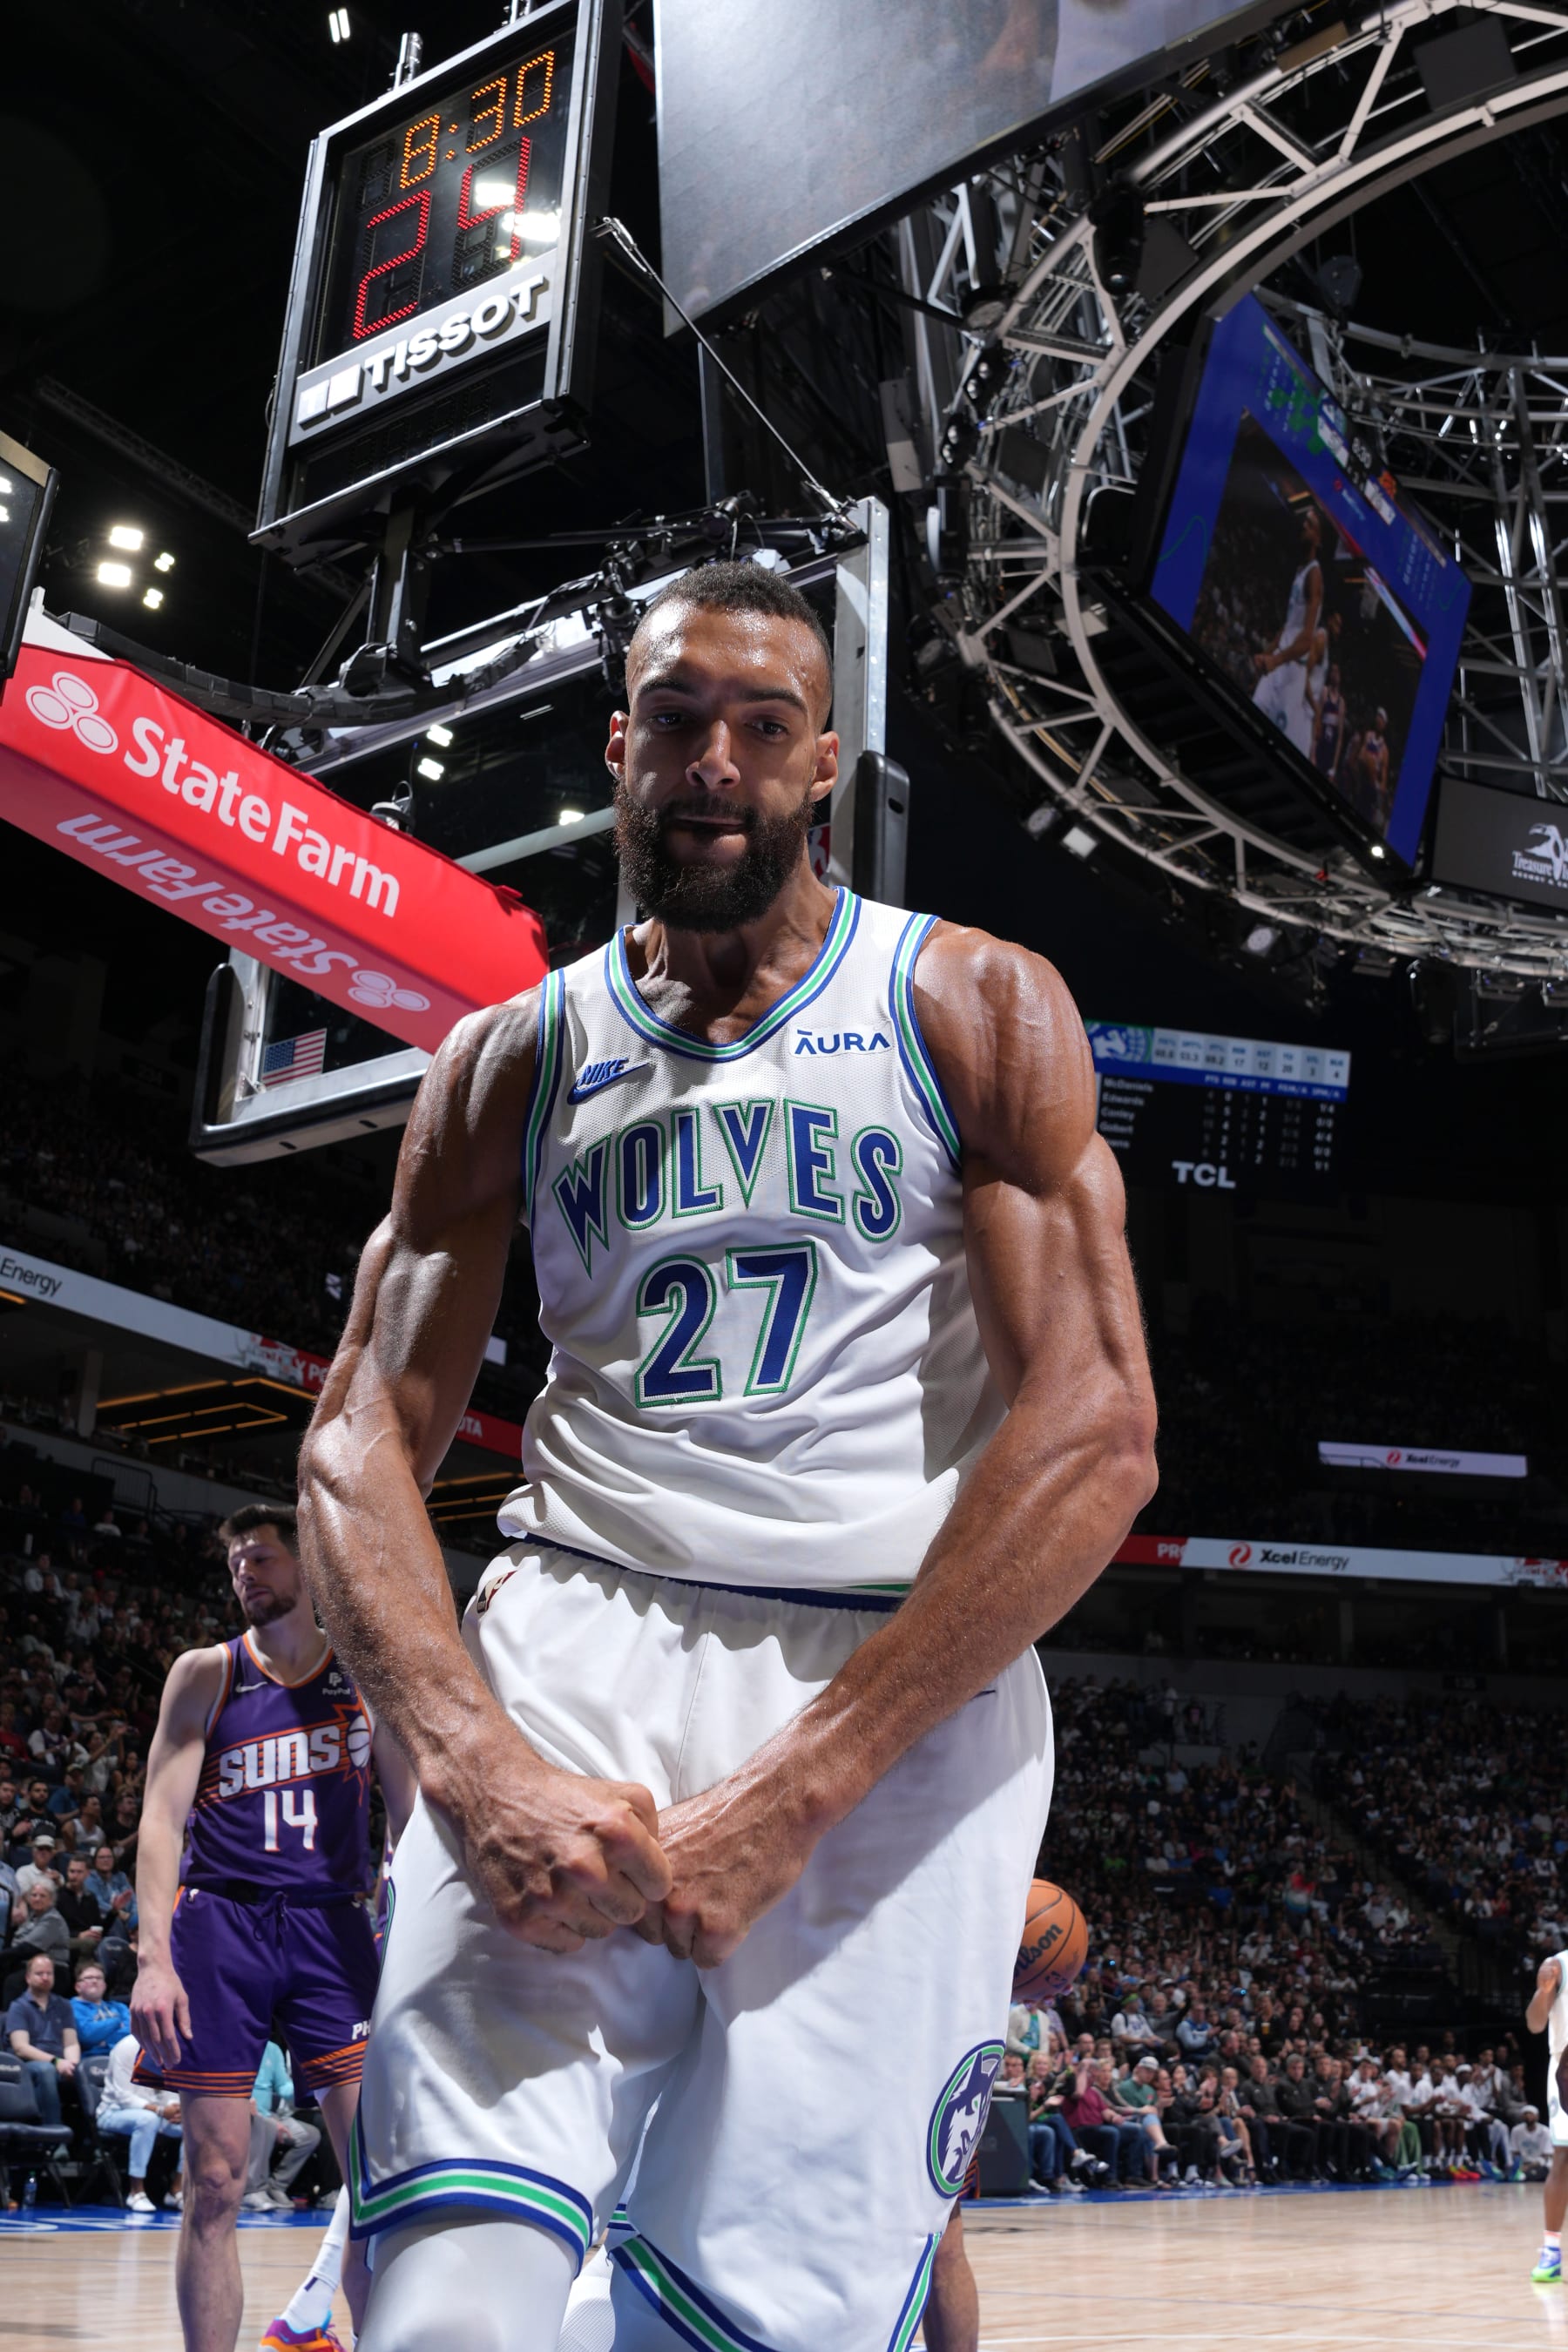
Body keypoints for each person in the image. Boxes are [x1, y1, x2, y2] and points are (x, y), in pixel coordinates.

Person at [295, 560, 1158, 2349]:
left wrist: (801, 1789)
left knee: (756, 2322)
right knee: (447, 2294)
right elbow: (357, 1439)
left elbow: (1096, 1435)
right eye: (679, 719)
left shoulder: (970, 1004)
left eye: (764, 727)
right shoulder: (512, 1056)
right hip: (575, 1634)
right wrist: (464, 1758)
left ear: (822, 762)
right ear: (619, 748)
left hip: (886, 1682)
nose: (716, 761)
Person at [130, 1505, 415, 2352]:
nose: (244, 1575)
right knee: (215, 2179)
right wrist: (153, 1960)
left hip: (333, 1928)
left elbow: (407, 1821)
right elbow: (159, 1821)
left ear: (310, 1566)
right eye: (235, 1565)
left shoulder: (367, 1680)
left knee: (377, 2179)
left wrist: (411, 1928)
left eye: (260, 1558)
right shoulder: (206, 1673)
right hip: (221, 1925)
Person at [1252, 500, 1324, 754]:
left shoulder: (1315, 575)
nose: (1304, 526)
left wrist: (1275, 660)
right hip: (1280, 660)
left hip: (1293, 668)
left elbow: (1306, 640)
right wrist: (1267, 654)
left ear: (1318, 539)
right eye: (1305, 522)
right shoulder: (1300, 571)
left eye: (1310, 525)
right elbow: (1288, 626)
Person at [99, 2027, 184, 2213]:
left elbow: (172, 2089)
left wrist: (175, 2109)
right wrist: (160, 2110)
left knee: (193, 2127)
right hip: (115, 2112)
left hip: (159, 2113)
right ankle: (136, 2191)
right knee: (147, 2120)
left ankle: (177, 2189)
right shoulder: (126, 2047)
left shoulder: (172, 2047)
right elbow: (123, 2096)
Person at [1525, 1948, 1568, 2282]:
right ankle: (1551, 2252)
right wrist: (1544, 1991)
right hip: (1566, 2070)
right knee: (1563, 2157)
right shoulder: (1559, 1965)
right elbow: (1535, 2024)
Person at [5, 1948, 78, 2132]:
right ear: (28, 1978)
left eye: (49, 1973)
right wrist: (56, 2062)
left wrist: (72, 2064)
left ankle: (91, 2138)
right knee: (46, 2070)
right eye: (39, 1974)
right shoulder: (18, 2007)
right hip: (28, 2065)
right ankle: (52, 2133)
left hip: (61, 2063)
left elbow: (71, 2042)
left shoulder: (64, 2005)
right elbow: (21, 2048)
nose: (45, 1977)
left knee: (86, 2071)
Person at [244, 2040, 322, 2213]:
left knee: (310, 2135)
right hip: (243, 2110)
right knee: (266, 2125)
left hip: (268, 2114)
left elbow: (283, 2087)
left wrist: (311, 2086)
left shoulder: (272, 2049)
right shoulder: (239, 2042)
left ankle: (276, 2186)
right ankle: (251, 2191)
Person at [70, 1957, 131, 2057]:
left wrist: (105, 2042)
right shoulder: (71, 2008)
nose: (94, 1981)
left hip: (124, 2055)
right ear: (78, 1986)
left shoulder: (120, 2007)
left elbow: (132, 2032)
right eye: (89, 1978)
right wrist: (117, 2022)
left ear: (105, 1985)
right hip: (94, 2058)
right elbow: (87, 2035)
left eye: (99, 1978)